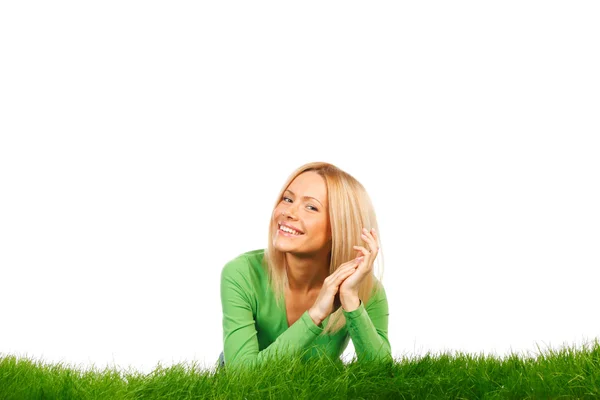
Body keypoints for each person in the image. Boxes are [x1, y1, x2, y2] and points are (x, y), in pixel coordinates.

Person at [219, 162, 391, 368]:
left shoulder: (365, 290)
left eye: (311, 207)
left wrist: (350, 300)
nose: (288, 212)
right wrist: (316, 314)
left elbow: (382, 374)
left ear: (339, 227)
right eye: (287, 199)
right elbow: (240, 376)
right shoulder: (241, 273)